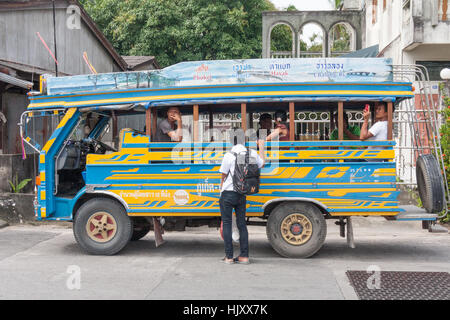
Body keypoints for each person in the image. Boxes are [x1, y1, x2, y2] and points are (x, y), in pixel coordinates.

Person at [219, 131, 265, 264]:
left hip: (228, 193)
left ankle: (229, 257)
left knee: (227, 223)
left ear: (231, 141)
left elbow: (223, 174)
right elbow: (261, 164)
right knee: (241, 224)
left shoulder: (229, 155)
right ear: (244, 141)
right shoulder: (251, 153)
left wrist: (221, 191)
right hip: (242, 193)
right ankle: (244, 256)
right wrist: (261, 147)